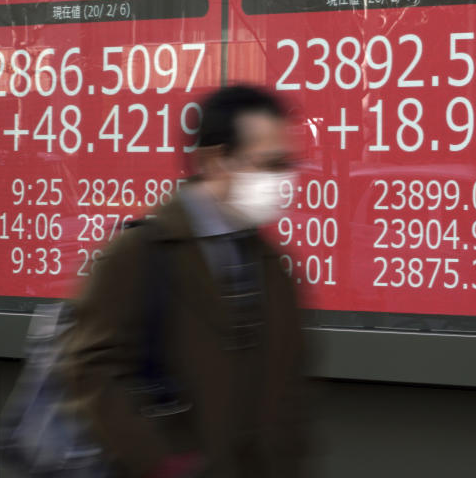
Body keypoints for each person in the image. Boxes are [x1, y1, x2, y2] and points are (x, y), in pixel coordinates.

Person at [63, 85, 306, 478]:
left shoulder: (272, 265)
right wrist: (160, 462)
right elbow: (88, 370)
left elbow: (290, 400)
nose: (284, 179)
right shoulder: (141, 252)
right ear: (214, 162)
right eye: (268, 164)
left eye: (287, 164)